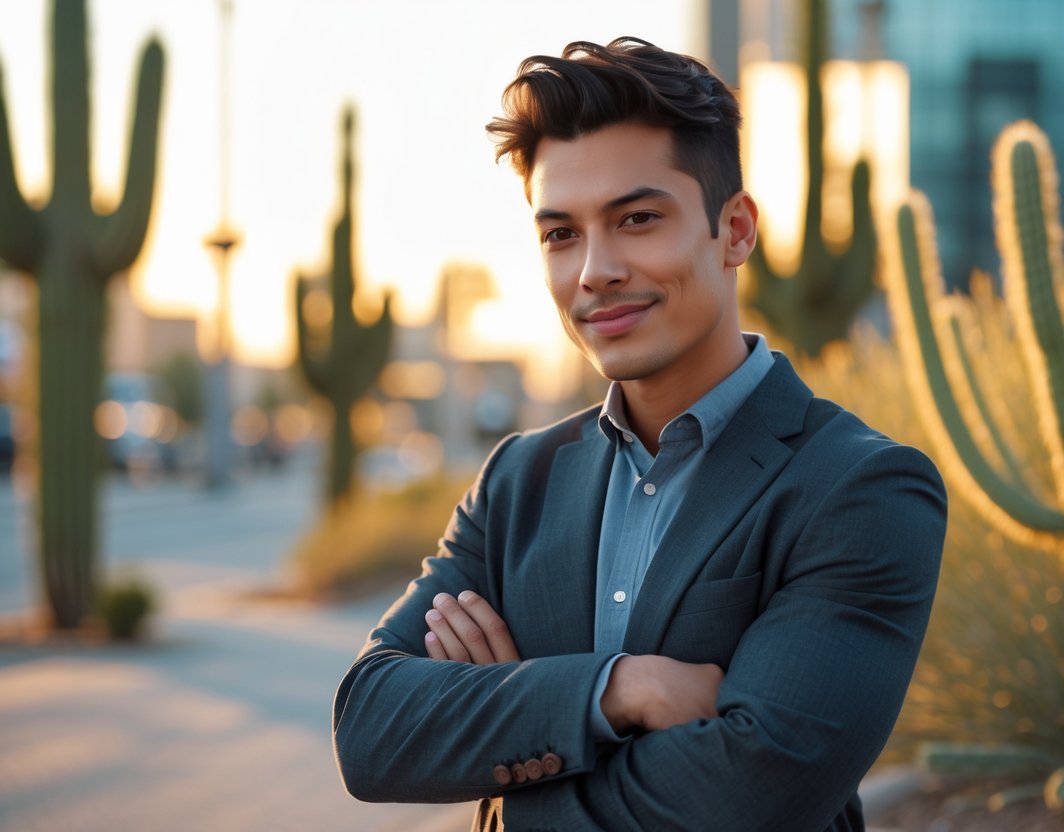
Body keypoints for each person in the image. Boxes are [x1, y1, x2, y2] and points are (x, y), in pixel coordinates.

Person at [333, 37, 946, 831]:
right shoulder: (519, 480)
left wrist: (511, 768)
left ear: (734, 231)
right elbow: (371, 731)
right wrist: (615, 690)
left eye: (637, 219)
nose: (594, 270)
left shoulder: (858, 488)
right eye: (560, 234)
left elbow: (745, 797)